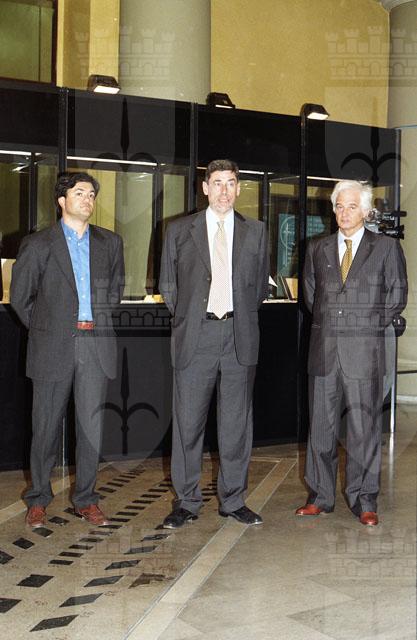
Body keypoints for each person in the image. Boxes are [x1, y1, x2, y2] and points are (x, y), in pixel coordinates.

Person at [11, 172, 124, 528]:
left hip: (95, 346)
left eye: (91, 194)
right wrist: (49, 329)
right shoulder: (38, 244)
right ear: (62, 200)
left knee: (90, 430)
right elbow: (21, 298)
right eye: (79, 193)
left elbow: (115, 291)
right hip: (53, 346)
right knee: (45, 428)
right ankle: (38, 498)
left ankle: (86, 500)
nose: (87, 199)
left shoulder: (110, 242)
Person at [159, 159, 269, 528]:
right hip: (197, 336)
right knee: (188, 425)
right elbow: (169, 286)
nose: (224, 190)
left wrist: (234, 316)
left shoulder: (256, 231)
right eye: (217, 182)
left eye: (231, 183)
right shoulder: (179, 230)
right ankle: (186, 502)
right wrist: (194, 318)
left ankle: (233, 500)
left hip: (239, 336)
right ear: (205, 188)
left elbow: (257, 288)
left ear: (238, 188)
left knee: (236, 426)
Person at [296, 180, 407, 526]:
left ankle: (365, 499)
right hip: (324, 351)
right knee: (321, 428)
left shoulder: (386, 248)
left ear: (367, 211)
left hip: (364, 352)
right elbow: (311, 297)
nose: (344, 213)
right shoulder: (317, 248)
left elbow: (397, 296)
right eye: (339, 206)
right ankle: (320, 496)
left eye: (352, 206)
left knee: (363, 429)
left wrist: (363, 324)